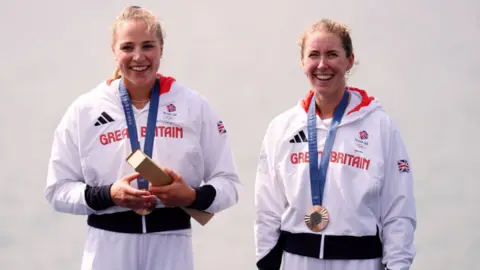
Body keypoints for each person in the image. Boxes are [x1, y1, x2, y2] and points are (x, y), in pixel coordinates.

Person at [44, 6, 240, 270]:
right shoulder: (85, 110)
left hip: (171, 246)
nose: (138, 57)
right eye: (127, 48)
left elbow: (229, 184)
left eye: (147, 46)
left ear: (161, 49)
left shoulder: (193, 105)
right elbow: (57, 190)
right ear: (114, 51)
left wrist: (192, 196)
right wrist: (108, 195)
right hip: (108, 247)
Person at [254, 18, 416, 270]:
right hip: (298, 260)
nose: (322, 65)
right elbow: (267, 207)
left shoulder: (380, 126)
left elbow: (398, 209)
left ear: (349, 60)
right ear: (302, 62)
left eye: (332, 54)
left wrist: (397, 266)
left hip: (359, 262)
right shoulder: (282, 127)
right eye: (313, 55)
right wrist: (266, 261)